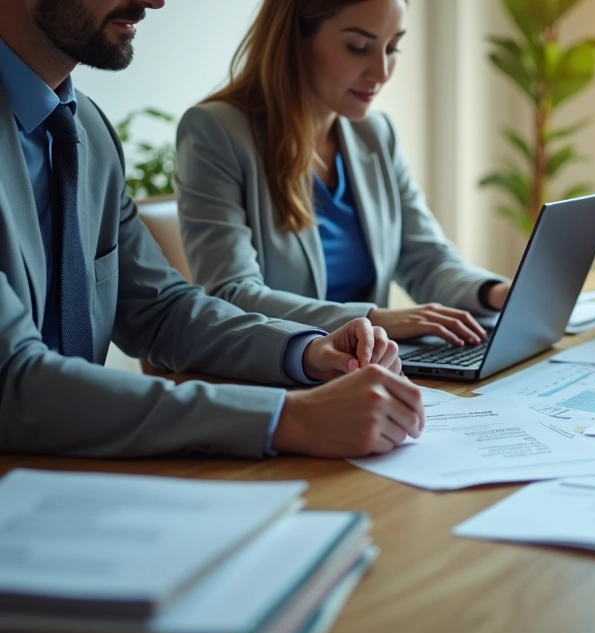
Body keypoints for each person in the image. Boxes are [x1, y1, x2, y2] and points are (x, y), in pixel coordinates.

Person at [0, 0, 426, 460]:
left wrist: (307, 350)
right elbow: (13, 378)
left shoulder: (88, 130)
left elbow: (161, 311)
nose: (155, 1)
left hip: (76, 474)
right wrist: (283, 416)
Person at [174, 0, 511, 349]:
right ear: (295, 39)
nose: (381, 72)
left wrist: (494, 293)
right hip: (282, 375)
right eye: (359, 47)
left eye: (392, 47)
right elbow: (232, 294)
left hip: (368, 365)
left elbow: (425, 259)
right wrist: (369, 319)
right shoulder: (216, 131)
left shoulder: (375, 134)